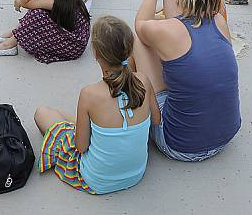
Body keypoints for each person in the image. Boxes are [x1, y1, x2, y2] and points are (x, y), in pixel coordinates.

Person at [133, 0, 241, 161]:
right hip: (225, 137)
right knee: (165, 46)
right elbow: (177, 19)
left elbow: (140, 26)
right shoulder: (219, 21)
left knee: (138, 40)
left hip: (181, 145)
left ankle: (129, 101)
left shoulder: (171, 32)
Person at [35, 15, 159, 194]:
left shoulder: (89, 94)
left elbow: (81, 147)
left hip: (97, 180)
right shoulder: (143, 81)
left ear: (96, 53)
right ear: (130, 49)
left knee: (43, 113)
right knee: (69, 118)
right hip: (136, 174)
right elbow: (156, 120)